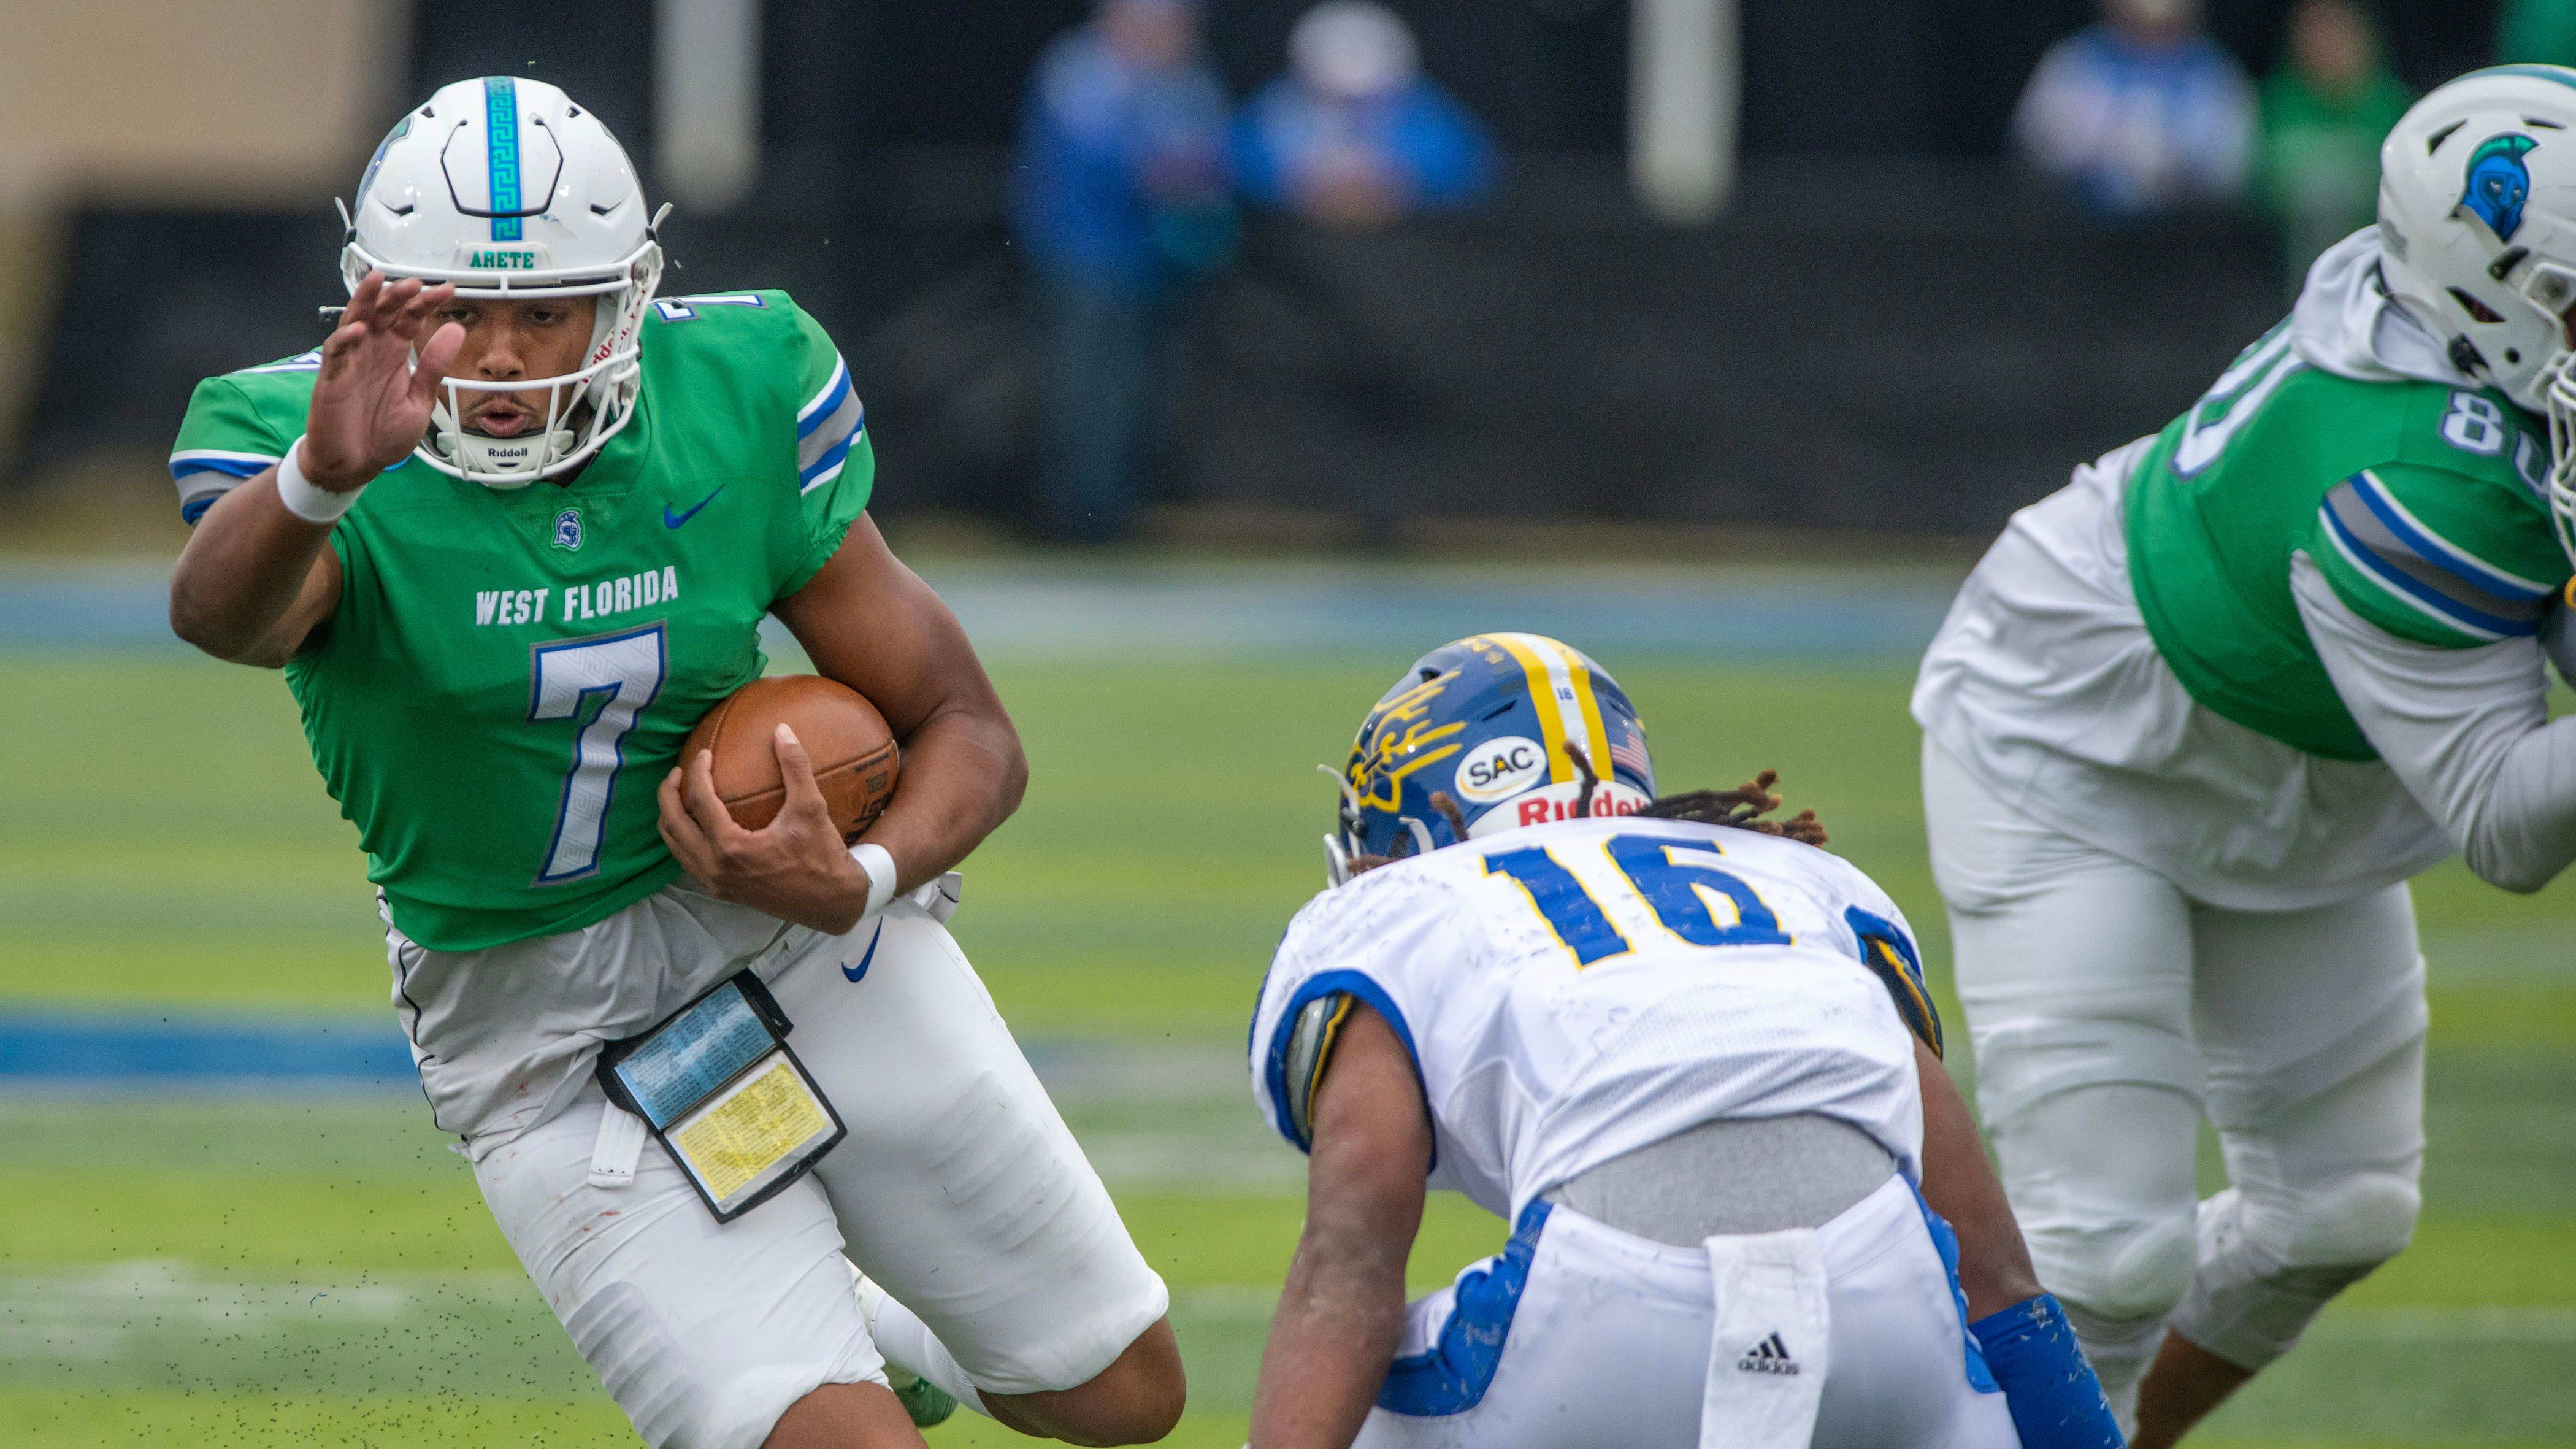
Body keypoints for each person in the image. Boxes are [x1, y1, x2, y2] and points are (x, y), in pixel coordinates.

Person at [164, 77, 1184, 1449]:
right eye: (470, 311)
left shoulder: (738, 388)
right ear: (386, 302)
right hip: (542, 1028)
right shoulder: (297, 440)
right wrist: (317, 480)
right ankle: (836, 1351)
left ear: (627, 299)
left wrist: (861, 873)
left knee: (1123, 1396)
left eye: (549, 312)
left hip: (795, 936)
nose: (511, 357)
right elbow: (225, 620)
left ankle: (878, 1328)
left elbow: (968, 728)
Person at [1915, 66, 2576, 1449]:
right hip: (2081, 741)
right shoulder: (2412, 478)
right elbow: (2508, 822)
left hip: (2303, 768)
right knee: (2102, 1256)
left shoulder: (2450, 320)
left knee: (2337, 1209)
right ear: (2487, 303)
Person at [1245, 634, 2123, 1449]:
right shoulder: (1801, 879)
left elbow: (1350, 1262)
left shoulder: (1396, 907)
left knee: (1352, 1392)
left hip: (1607, 1321)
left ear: (1405, 835)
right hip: (1883, 1301)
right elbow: (1997, 1277)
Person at [1013, 0, 1234, 544]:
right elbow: (1116, 159)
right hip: (1085, 260)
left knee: (1139, 395)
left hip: (1158, 263)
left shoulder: (1184, 80)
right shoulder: (1079, 72)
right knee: (1086, 391)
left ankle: (1119, 515)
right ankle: (1080, 521)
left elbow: (1218, 152)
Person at [1232, 0, 1497, 231]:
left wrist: (1402, 178)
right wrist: (1295, 180)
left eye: (1369, 100)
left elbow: (1476, 169)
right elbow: (1233, 163)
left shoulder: (1424, 110)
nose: (1352, 110)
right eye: (1334, 99)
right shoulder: (1276, 108)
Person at [2011, 0, 2255, 221]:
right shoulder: (2073, 63)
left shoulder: (2215, 74)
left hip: (2187, 245)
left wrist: (2174, 173)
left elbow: (2233, 170)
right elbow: (2035, 145)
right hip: (2077, 236)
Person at [2258, 0, 2413, 285]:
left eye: (2336, 30)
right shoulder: (2274, 105)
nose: (2325, 43)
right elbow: (2255, 192)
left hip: (2381, 274)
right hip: (2284, 275)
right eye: (2313, 31)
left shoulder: (2394, 108)